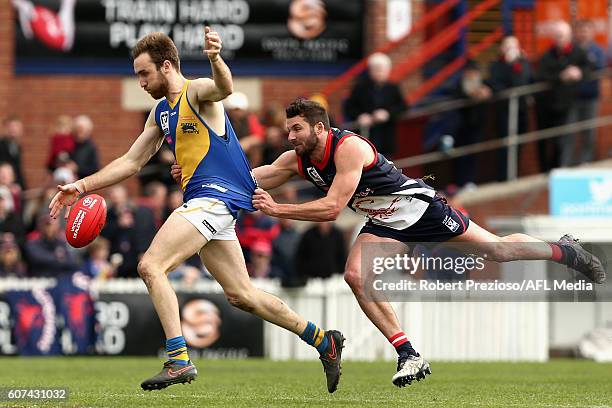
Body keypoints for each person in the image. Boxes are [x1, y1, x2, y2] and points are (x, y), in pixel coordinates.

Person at [49, 29, 344, 393]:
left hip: (214, 199)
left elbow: (224, 87)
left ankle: (178, 359)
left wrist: (216, 58)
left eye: (144, 73)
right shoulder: (160, 113)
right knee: (243, 295)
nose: (140, 82)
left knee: (150, 266)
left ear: (167, 66)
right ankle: (323, 341)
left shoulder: (197, 91)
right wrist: (81, 186)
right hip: (212, 204)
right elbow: (131, 161)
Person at [237, 98, 604, 387]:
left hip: (420, 210)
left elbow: (333, 208)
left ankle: (563, 250)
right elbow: (249, 176)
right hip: (385, 222)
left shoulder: (347, 148)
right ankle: (408, 354)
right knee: (356, 277)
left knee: (498, 250)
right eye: (288, 131)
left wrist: (276, 209)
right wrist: (197, 176)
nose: (291, 137)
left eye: (297, 129)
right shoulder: (297, 159)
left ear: (319, 127)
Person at [536, 21, 590, 172]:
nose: (559, 39)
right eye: (557, 36)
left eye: (562, 36)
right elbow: (541, 75)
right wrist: (561, 77)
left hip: (568, 102)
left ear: (569, 36)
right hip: (549, 105)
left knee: (564, 139)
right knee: (547, 140)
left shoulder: (577, 52)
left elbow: (589, 68)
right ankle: (547, 170)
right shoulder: (548, 55)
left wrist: (578, 72)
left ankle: (562, 167)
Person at [344, 53, 408, 158]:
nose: (379, 72)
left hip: (386, 136)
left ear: (388, 70)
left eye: (382, 69)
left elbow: (403, 106)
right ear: (370, 70)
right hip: (365, 135)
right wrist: (360, 116)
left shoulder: (393, 87)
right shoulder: (360, 87)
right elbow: (349, 107)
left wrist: (387, 114)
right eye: (376, 69)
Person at [489, 36, 533, 181]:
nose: (510, 50)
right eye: (507, 47)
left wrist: (515, 64)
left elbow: (522, 82)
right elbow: (496, 85)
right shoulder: (496, 65)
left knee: (519, 143)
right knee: (505, 145)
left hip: (521, 110)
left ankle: (514, 173)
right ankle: (503, 176)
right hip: (504, 111)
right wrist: (509, 66)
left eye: (513, 47)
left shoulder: (523, 64)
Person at [571, 19, 605, 166]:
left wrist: (583, 66)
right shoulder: (572, 49)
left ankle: (586, 162)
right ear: (576, 32)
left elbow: (598, 67)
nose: (583, 33)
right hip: (573, 98)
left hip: (591, 97)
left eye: (586, 30)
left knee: (589, 133)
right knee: (570, 132)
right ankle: (570, 163)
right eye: (581, 30)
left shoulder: (598, 50)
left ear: (592, 32)